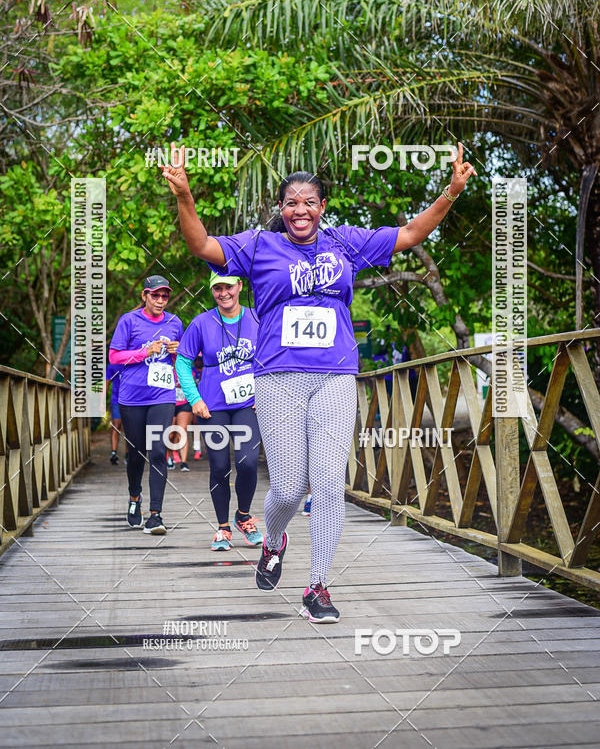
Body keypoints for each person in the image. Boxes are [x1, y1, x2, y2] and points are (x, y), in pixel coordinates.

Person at [162, 142, 475, 621]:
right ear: (281, 210)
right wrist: (185, 195)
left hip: (334, 378)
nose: (300, 209)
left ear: (322, 207)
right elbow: (202, 245)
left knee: (328, 483)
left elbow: (410, 233)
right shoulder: (259, 246)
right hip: (277, 378)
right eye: (291, 202)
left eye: (310, 201)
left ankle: (318, 587)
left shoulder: (345, 242)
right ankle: (272, 542)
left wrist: (451, 192)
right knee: (288, 489)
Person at [175, 271, 263, 551]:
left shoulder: (257, 317)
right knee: (220, 467)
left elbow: (274, 356)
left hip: (248, 404)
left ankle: (244, 516)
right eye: (217, 288)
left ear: (239, 286)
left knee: (248, 463)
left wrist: (265, 392)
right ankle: (223, 527)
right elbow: (183, 362)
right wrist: (194, 398)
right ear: (212, 291)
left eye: (228, 287)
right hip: (212, 409)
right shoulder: (202, 323)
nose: (223, 293)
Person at [109, 275, 183, 535]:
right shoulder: (129, 321)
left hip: (162, 396)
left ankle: (156, 514)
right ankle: (134, 498)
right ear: (144, 295)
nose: (161, 300)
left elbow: (181, 359)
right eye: (156, 295)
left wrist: (177, 351)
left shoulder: (175, 323)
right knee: (137, 452)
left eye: (165, 296)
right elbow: (114, 356)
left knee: (159, 451)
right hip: (132, 398)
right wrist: (144, 352)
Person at [105, 362, 123, 464]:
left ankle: (128, 454)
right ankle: (114, 453)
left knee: (130, 428)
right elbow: (107, 382)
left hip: (131, 401)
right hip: (116, 400)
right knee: (116, 426)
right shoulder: (113, 364)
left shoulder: (134, 360)